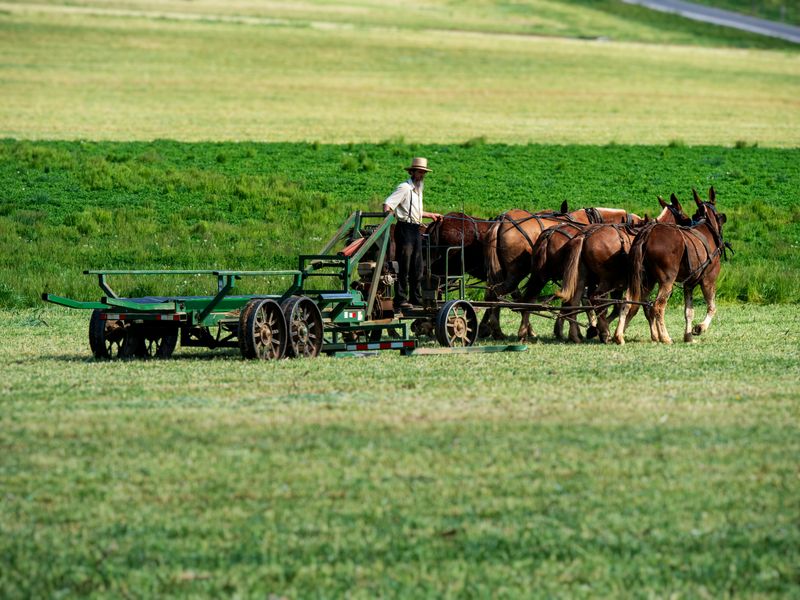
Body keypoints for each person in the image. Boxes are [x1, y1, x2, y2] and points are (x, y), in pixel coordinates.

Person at [383, 157, 443, 311]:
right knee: (404, 264)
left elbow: (415, 211)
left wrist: (430, 215)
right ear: (412, 172)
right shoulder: (404, 187)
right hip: (405, 229)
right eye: (419, 172)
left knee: (417, 266)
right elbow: (388, 204)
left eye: (424, 172)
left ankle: (415, 298)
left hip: (415, 229)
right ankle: (400, 299)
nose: (422, 175)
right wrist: (389, 217)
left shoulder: (418, 189)